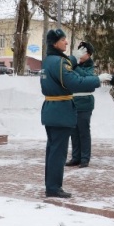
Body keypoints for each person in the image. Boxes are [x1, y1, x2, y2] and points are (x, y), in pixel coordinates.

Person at [40, 29, 100, 198]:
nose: (66, 42)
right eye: (63, 40)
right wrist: (98, 79)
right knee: (58, 153)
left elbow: (63, 69)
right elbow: (74, 81)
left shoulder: (49, 61)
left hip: (51, 109)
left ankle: (50, 185)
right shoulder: (59, 62)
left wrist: (73, 58)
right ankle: (53, 188)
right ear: (55, 43)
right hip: (61, 110)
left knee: (52, 150)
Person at [66, 41, 96, 168]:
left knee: (83, 131)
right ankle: (75, 157)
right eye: (79, 51)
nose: (81, 54)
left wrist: (76, 66)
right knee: (74, 132)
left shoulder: (90, 66)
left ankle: (85, 158)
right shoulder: (73, 64)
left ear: (88, 55)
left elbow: (87, 78)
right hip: (73, 101)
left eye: (83, 52)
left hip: (85, 102)